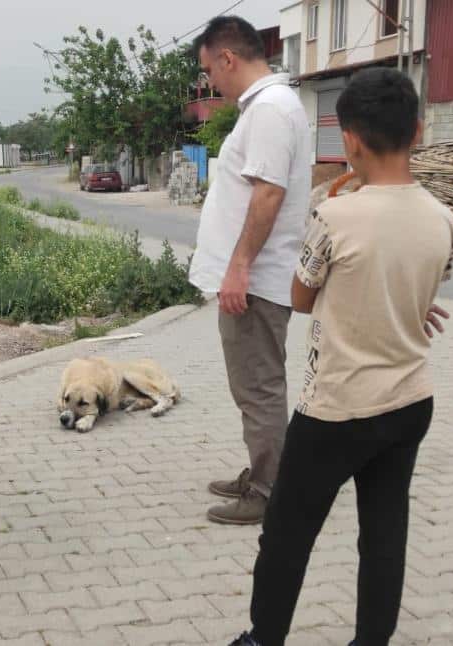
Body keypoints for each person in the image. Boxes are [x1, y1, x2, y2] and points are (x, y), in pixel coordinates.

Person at [230, 67, 453, 646]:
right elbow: (420, 288)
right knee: (383, 534)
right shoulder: (443, 217)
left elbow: (302, 298)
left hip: (336, 408)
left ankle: (262, 639)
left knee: (286, 532)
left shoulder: (334, 215)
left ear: (350, 140)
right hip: (409, 403)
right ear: (418, 130)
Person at [188, 15, 312, 525]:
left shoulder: (271, 110)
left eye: (208, 71)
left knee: (258, 386)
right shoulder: (268, 107)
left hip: (255, 282)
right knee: (255, 385)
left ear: (228, 59)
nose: (209, 83)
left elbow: (268, 193)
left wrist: (238, 270)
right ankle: (266, 472)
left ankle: (269, 491)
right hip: (253, 278)